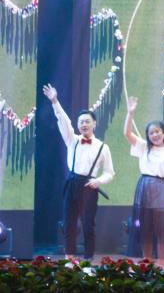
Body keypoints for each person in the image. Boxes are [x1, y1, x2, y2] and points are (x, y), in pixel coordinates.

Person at [43, 84, 115, 260]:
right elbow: (63, 120)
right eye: (81, 122)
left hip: (89, 186)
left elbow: (110, 172)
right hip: (72, 183)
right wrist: (54, 101)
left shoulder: (103, 147)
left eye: (87, 121)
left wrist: (98, 181)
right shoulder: (72, 140)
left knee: (88, 225)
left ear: (94, 124)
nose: (84, 124)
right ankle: (69, 259)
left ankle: (88, 260)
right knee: (69, 224)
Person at [123, 96, 164, 265]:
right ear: (148, 136)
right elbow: (127, 134)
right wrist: (130, 113)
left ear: (163, 132)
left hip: (162, 190)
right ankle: (147, 260)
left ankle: (161, 262)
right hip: (144, 189)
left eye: (157, 131)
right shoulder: (144, 147)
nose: (155, 135)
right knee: (145, 229)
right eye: (151, 133)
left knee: (161, 229)